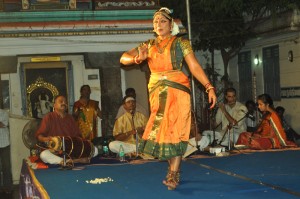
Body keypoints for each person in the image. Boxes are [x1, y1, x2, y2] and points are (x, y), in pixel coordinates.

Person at [120, 7, 217, 190]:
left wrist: (209, 87)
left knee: (176, 131)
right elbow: (123, 58)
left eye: (163, 21)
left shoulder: (181, 43)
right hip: (157, 94)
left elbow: (194, 67)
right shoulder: (148, 45)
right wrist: (136, 59)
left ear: (171, 24)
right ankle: (173, 170)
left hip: (177, 92)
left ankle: (173, 173)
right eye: (156, 21)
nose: (159, 24)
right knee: (164, 133)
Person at [35, 95, 98, 165]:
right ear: (54, 105)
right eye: (61, 101)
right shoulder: (48, 117)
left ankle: (66, 161)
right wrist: (46, 139)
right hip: (56, 150)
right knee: (44, 155)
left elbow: (78, 136)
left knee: (95, 150)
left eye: (65, 102)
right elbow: (39, 136)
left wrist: (84, 143)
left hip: (70, 150)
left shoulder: (70, 118)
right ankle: (73, 161)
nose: (63, 103)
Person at [0, 109, 12, 197]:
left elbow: (3, 124)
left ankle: (7, 187)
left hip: (4, 144)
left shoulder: (4, 113)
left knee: (6, 166)